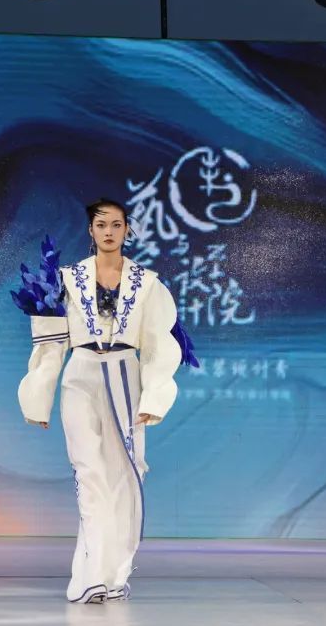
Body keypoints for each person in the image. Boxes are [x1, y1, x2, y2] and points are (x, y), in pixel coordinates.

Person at [11, 199, 195, 604]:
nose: (109, 232)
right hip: (81, 375)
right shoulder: (66, 278)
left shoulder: (147, 283)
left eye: (116, 224)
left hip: (126, 376)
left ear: (127, 230)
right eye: (101, 225)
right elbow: (51, 343)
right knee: (89, 473)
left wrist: (155, 397)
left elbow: (159, 343)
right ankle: (89, 577)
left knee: (125, 475)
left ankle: (113, 574)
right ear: (90, 231)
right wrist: (38, 397)